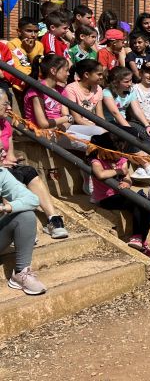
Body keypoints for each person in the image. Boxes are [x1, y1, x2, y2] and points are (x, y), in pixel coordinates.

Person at [0, 91, 68, 239]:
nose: (9, 107)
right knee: (10, 176)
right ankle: (17, 228)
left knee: (29, 171)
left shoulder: (5, 124)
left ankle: (53, 219)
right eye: (5, 103)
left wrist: (11, 160)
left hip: (4, 166)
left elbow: (9, 155)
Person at [89, 132, 150, 256]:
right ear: (105, 150)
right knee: (136, 203)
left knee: (149, 205)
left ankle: (140, 238)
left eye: (120, 153)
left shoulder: (122, 159)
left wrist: (127, 183)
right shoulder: (96, 160)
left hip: (121, 194)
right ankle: (138, 238)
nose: (118, 156)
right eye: (115, 153)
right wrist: (118, 170)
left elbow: (128, 178)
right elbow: (101, 174)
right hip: (106, 198)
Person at [0, 167, 46, 295]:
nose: (3, 154)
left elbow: (32, 199)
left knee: (25, 215)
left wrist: (6, 207)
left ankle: (21, 273)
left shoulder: (2, 174)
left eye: (2, 150)